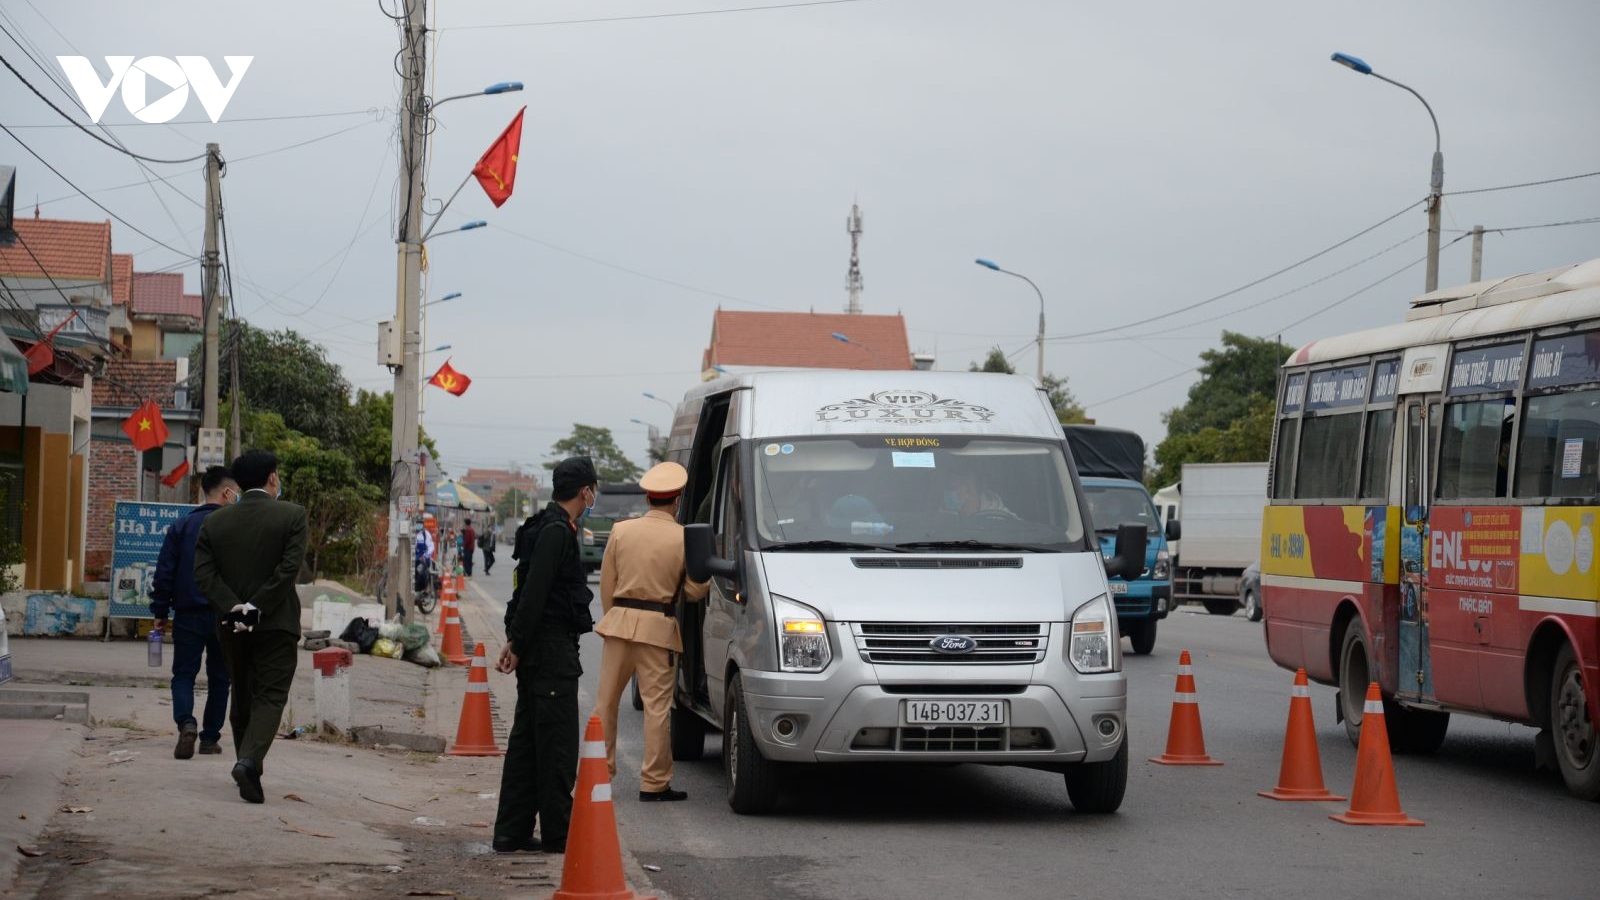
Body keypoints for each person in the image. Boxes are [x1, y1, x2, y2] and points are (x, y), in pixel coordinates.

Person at [492, 457, 598, 854]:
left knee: (526, 746)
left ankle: (511, 833)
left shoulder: (540, 526)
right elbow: (534, 593)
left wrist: (516, 641)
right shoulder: (557, 532)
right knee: (555, 748)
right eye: (593, 489)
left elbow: (522, 589)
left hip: (536, 648)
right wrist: (517, 644)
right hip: (550, 652)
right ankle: (558, 836)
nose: (594, 496)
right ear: (584, 490)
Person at [193, 450, 309, 805]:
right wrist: (257, 607)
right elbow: (288, 571)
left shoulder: (214, 522)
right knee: (270, 696)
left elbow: (204, 574)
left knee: (241, 694)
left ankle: (249, 768)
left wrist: (237, 608)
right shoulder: (292, 515)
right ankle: (248, 762)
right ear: (272, 477)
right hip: (276, 623)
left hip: (230, 624)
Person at [591, 462, 709, 802]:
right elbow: (692, 592)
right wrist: (708, 573)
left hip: (619, 623)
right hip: (658, 629)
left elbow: (608, 584)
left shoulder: (620, 531)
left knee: (605, 704)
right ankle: (654, 782)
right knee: (657, 708)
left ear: (647, 498)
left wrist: (615, 618)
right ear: (678, 500)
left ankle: (600, 772)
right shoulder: (682, 536)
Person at [149, 465, 238, 760]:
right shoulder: (234, 525)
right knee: (220, 678)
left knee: (184, 674)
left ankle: (186, 723)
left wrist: (160, 610)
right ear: (227, 492)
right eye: (236, 491)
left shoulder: (181, 526)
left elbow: (164, 572)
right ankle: (210, 739)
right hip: (224, 614)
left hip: (187, 613)